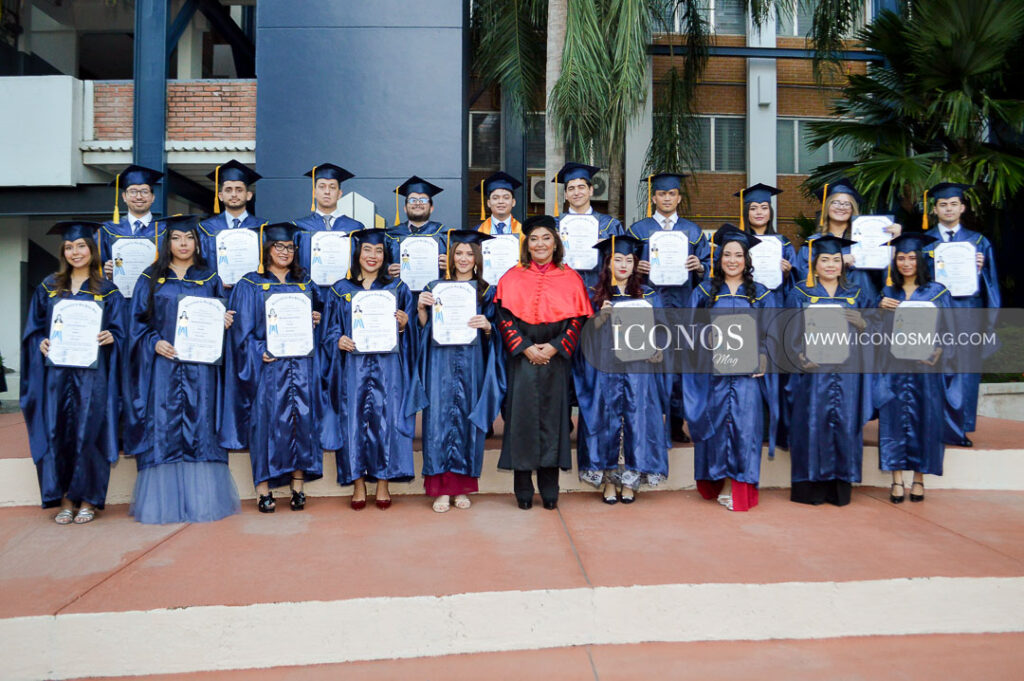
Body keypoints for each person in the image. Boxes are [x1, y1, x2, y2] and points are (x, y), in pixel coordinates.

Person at [127, 215, 241, 523]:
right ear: (167, 242)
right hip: (164, 367)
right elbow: (137, 322)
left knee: (200, 425)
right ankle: (166, 504)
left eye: (189, 238)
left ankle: (201, 502)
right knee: (163, 428)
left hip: (201, 368)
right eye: (176, 238)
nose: (183, 244)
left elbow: (220, 315)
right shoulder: (150, 278)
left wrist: (225, 320)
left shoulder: (208, 277)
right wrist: (153, 342)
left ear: (197, 242)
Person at [20, 221, 125, 524]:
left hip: (93, 374)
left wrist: (112, 337)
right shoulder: (49, 286)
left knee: (89, 433)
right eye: (69, 247)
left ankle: (90, 499)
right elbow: (34, 328)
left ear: (92, 250)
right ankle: (65, 498)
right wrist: (39, 341)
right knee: (58, 432)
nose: (75, 252)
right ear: (63, 252)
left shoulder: (107, 290)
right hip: (57, 374)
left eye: (81, 246)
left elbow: (121, 330)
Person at [221, 223, 324, 513]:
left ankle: (298, 487)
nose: (284, 252)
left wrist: (315, 319)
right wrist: (258, 351)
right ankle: (263, 489)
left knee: (301, 422)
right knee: (265, 425)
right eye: (278, 246)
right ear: (267, 249)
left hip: (301, 366)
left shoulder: (306, 285)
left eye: (289, 247)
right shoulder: (250, 284)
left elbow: (318, 326)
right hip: (268, 368)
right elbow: (240, 333)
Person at [495, 215, 593, 510]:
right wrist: (525, 348)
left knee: (554, 419)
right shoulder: (511, 276)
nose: (540, 244)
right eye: (534, 238)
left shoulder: (571, 277)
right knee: (521, 419)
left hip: (556, 358)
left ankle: (550, 483)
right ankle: (523, 484)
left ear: (555, 243)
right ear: (527, 244)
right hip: (522, 358)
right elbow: (503, 317)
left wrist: (554, 347)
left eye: (546, 238)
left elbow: (577, 319)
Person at [409, 230, 503, 513]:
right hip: (440, 361)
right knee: (438, 421)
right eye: (459, 253)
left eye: (469, 254)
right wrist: (421, 309)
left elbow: (495, 331)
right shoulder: (436, 286)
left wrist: (488, 327)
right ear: (451, 257)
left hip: (472, 360)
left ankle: (462, 487)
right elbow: (424, 329)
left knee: (466, 421)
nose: (463, 259)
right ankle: (440, 490)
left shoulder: (487, 291)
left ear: (477, 259)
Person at [684, 225, 777, 512]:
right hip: (715, 375)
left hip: (747, 376)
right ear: (719, 258)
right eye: (727, 255)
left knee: (745, 430)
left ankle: (740, 488)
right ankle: (720, 484)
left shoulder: (760, 294)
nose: (732, 260)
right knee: (717, 429)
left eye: (738, 255)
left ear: (747, 261)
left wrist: (765, 357)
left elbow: (773, 332)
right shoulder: (703, 292)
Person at [322, 229, 417, 510]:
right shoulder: (341, 289)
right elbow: (329, 331)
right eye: (367, 250)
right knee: (352, 421)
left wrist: (404, 324)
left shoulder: (397, 289)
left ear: (384, 255)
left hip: (388, 366)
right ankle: (359, 483)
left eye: (378, 251)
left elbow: (410, 335)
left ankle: (384, 482)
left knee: (385, 418)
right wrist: (337, 339)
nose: (372, 256)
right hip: (353, 366)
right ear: (357, 254)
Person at [574, 235, 670, 504]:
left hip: (638, 370)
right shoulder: (594, 294)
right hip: (604, 370)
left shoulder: (647, 294)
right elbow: (582, 335)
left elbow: (661, 331)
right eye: (618, 259)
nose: (624, 264)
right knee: (605, 421)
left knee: (635, 421)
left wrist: (657, 350)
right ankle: (608, 481)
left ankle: (630, 481)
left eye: (629, 260)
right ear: (608, 263)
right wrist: (599, 318)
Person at [785, 234, 872, 506]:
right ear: (814, 263)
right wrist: (799, 358)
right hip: (812, 375)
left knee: (844, 425)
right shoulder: (800, 293)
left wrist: (864, 323)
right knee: (811, 426)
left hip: (847, 375)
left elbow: (875, 331)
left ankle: (839, 487)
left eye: (836, 259)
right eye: (825, 259)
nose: (831, 265)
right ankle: (809, 488)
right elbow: (786, 333)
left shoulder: (856, 293)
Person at [627, 172, 709, 443]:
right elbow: (620, 266)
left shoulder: (694, 232)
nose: (666, 198)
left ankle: (675, 422)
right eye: (661, 194)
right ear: (654, 197)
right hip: (650, 306)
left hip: (683, 306)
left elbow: (709, 269)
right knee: (651, 364)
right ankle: (650, 423)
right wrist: (635, 268)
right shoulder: (638, 231)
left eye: (671, 194)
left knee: (679, 366)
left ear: (679, 198)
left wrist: (700, 267)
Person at [922, 182, 1000, 447]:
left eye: (954, 204)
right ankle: (933, 424)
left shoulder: (978, 242)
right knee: (934, 367)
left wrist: (980, 269)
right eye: (943, 204)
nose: (948, 208)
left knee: (966, 372)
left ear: (962, 208)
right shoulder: (925, 243)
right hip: (936, 314)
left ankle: (961, 428)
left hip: (967, 313)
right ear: (934, 209)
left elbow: (992, 284)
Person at [877, 232, 953, 503]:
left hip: (925, 370)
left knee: (925, 420)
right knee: (893, 421)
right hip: (894, 368)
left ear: (920, 260)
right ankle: (897, 480)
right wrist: (878, 309)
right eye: (901, 257)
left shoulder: (938, 291)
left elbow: (949, 331)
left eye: (911, 257)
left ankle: (919, 479)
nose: (906, 263)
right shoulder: (887, 293)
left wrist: (938, 353)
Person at [737, 182, 799, 449]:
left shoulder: (782, 243)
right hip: (747, 307)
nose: (759, 212)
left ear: (771, 211)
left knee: (775, 367)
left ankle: (777, 428)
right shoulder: (738, 242)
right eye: (753, 208)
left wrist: (787, 272)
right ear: (746, 212)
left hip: (775, 306)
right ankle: (752, 424)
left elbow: (796, 284)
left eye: (764, 207)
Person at [793, 179, 901, 304]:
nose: (841, 207)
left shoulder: (865, 240)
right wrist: (838, 262)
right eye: (836, 203)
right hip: (823, 304)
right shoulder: (813, 242)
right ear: (827, 206)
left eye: (847, 204)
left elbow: (883, 273)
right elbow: (804, 277)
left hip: (864, 304)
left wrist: (894, 242)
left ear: (853, 208)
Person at [553, 162, 624, 289]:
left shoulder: (609, 225)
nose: (576, 192)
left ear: (590, 190)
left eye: (581, 187)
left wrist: (610, 250)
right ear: (565, 195)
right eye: (571, 188)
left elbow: (624, 261)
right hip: (563, 289)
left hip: (600, 290)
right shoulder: (554, 226)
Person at [293, 164, 365, 287]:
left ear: (339, 193)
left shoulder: (355, 227)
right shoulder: (298, 227)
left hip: (345, 294)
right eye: (322, 187)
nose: (327, 191)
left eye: (332, 187)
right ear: (314, 192)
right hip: (310, 293)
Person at [198, 160, 264, 282]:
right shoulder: (205, 228)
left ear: (249, 195)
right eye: (228, 190)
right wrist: (214, 281)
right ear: (220, 196)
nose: (234, 194)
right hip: (218, 292)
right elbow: (200, 264)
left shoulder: (262, 227)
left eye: (239, 190)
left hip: (253, 292)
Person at [99, 164, 165, 282]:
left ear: (153, 197)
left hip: (154, 296)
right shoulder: (107, 230)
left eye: (144, 191)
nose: (139, 197)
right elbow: (94, 267)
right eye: (133, 191)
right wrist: (106, 274)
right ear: (124, 196)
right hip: (118, 297)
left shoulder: (165, 229)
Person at [386, 176, 448, 281]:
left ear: (431, 208)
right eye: (412, 200)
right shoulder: (390, 235)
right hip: (401, 293)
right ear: (405, 208)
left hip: (433, 293)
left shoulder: (444, 234)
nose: (418, 203)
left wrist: (451, 265)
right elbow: (379, 263)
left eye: (423, 200)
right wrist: (387, 269)